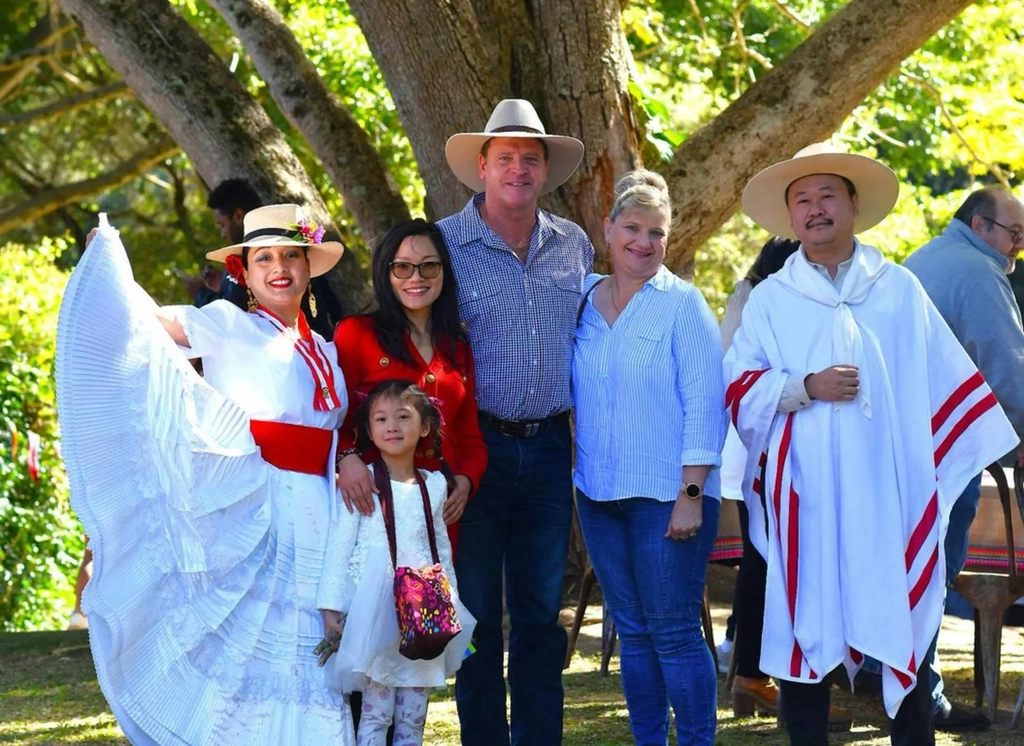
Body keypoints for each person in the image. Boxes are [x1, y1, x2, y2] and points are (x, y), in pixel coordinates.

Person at [725, 142, 1018, 746]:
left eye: (827, 194)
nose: (815, 208)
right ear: (789, 217)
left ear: (854, 203)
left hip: (889, 501)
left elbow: (947, 386)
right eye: (801, 200)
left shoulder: (898, 291)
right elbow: (736, 388)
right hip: (806, 503)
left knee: (901, 622)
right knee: (807, 628)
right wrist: (805, 386)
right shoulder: (773, 302)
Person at [57, 204, 355, 744]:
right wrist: (111, 265)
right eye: (263, 257)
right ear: (243, 271)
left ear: (311, 265)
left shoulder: (328, 347)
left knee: (313, 644)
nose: (278, 267)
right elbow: (145, 323)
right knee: (254, 640)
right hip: (259, 503)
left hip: (320, 506)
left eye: (291, 254)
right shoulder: (227, 323)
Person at [437, 98, 592, 746]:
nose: (519, 169)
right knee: (475, 618)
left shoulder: (574, 245)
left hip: (551, 449)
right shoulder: (443, 245)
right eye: (506, 157)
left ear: (545, 170)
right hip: (476, 454)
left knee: (538, 617)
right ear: (482, 166)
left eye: (531, 158)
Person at [571, 169, 726, 744]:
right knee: (632, 632)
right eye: (632, 228)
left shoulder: (684, 305)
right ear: (608, 230)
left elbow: (706, 408)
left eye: (656, 233)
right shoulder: (582, 300)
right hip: (597, 494)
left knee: (675, 632)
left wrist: (691, 496)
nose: (644, 242)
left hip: (668, 497)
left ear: (669, 239)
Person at [903, 185, 1024, 732]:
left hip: (909, 442)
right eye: (1014, 233)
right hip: (946, 446)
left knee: (914, 570)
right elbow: (1007, 366)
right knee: (934, 570)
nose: (1019, 245)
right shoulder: (977, 272)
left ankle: (914, 691)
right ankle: (918, 700)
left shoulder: (928, 256)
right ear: (980, 227)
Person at [317, 380, 476, 746]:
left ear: (424, 427)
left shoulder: (435, 485)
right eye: (382, 418)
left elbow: (441, 548)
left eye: (403, 417)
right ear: (369, 432)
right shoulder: (362, 483)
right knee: (375, 712)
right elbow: (340, 547)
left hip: (423, 614)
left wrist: (452, 604)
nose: (392, 426)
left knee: (413, 716)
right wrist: (331, 607)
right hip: (375, 613)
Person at [334, 219, 488, 552]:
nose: (416, 277)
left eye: (428, 266)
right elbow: (337, 417)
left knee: (437, 601)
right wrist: (346, 458)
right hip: (376, 503)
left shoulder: (458, 347)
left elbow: (471, 437)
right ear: (385, 273)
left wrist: (465, 481)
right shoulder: (356, 334)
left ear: (444, 273)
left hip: (441, 510)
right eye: (402, 267)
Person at [185, 177, 263, 309]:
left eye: (222, 225)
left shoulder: (259, 254)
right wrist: (223, 285)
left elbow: (234, 313)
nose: (223, 233)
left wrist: (200, 294)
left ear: (238, 216)